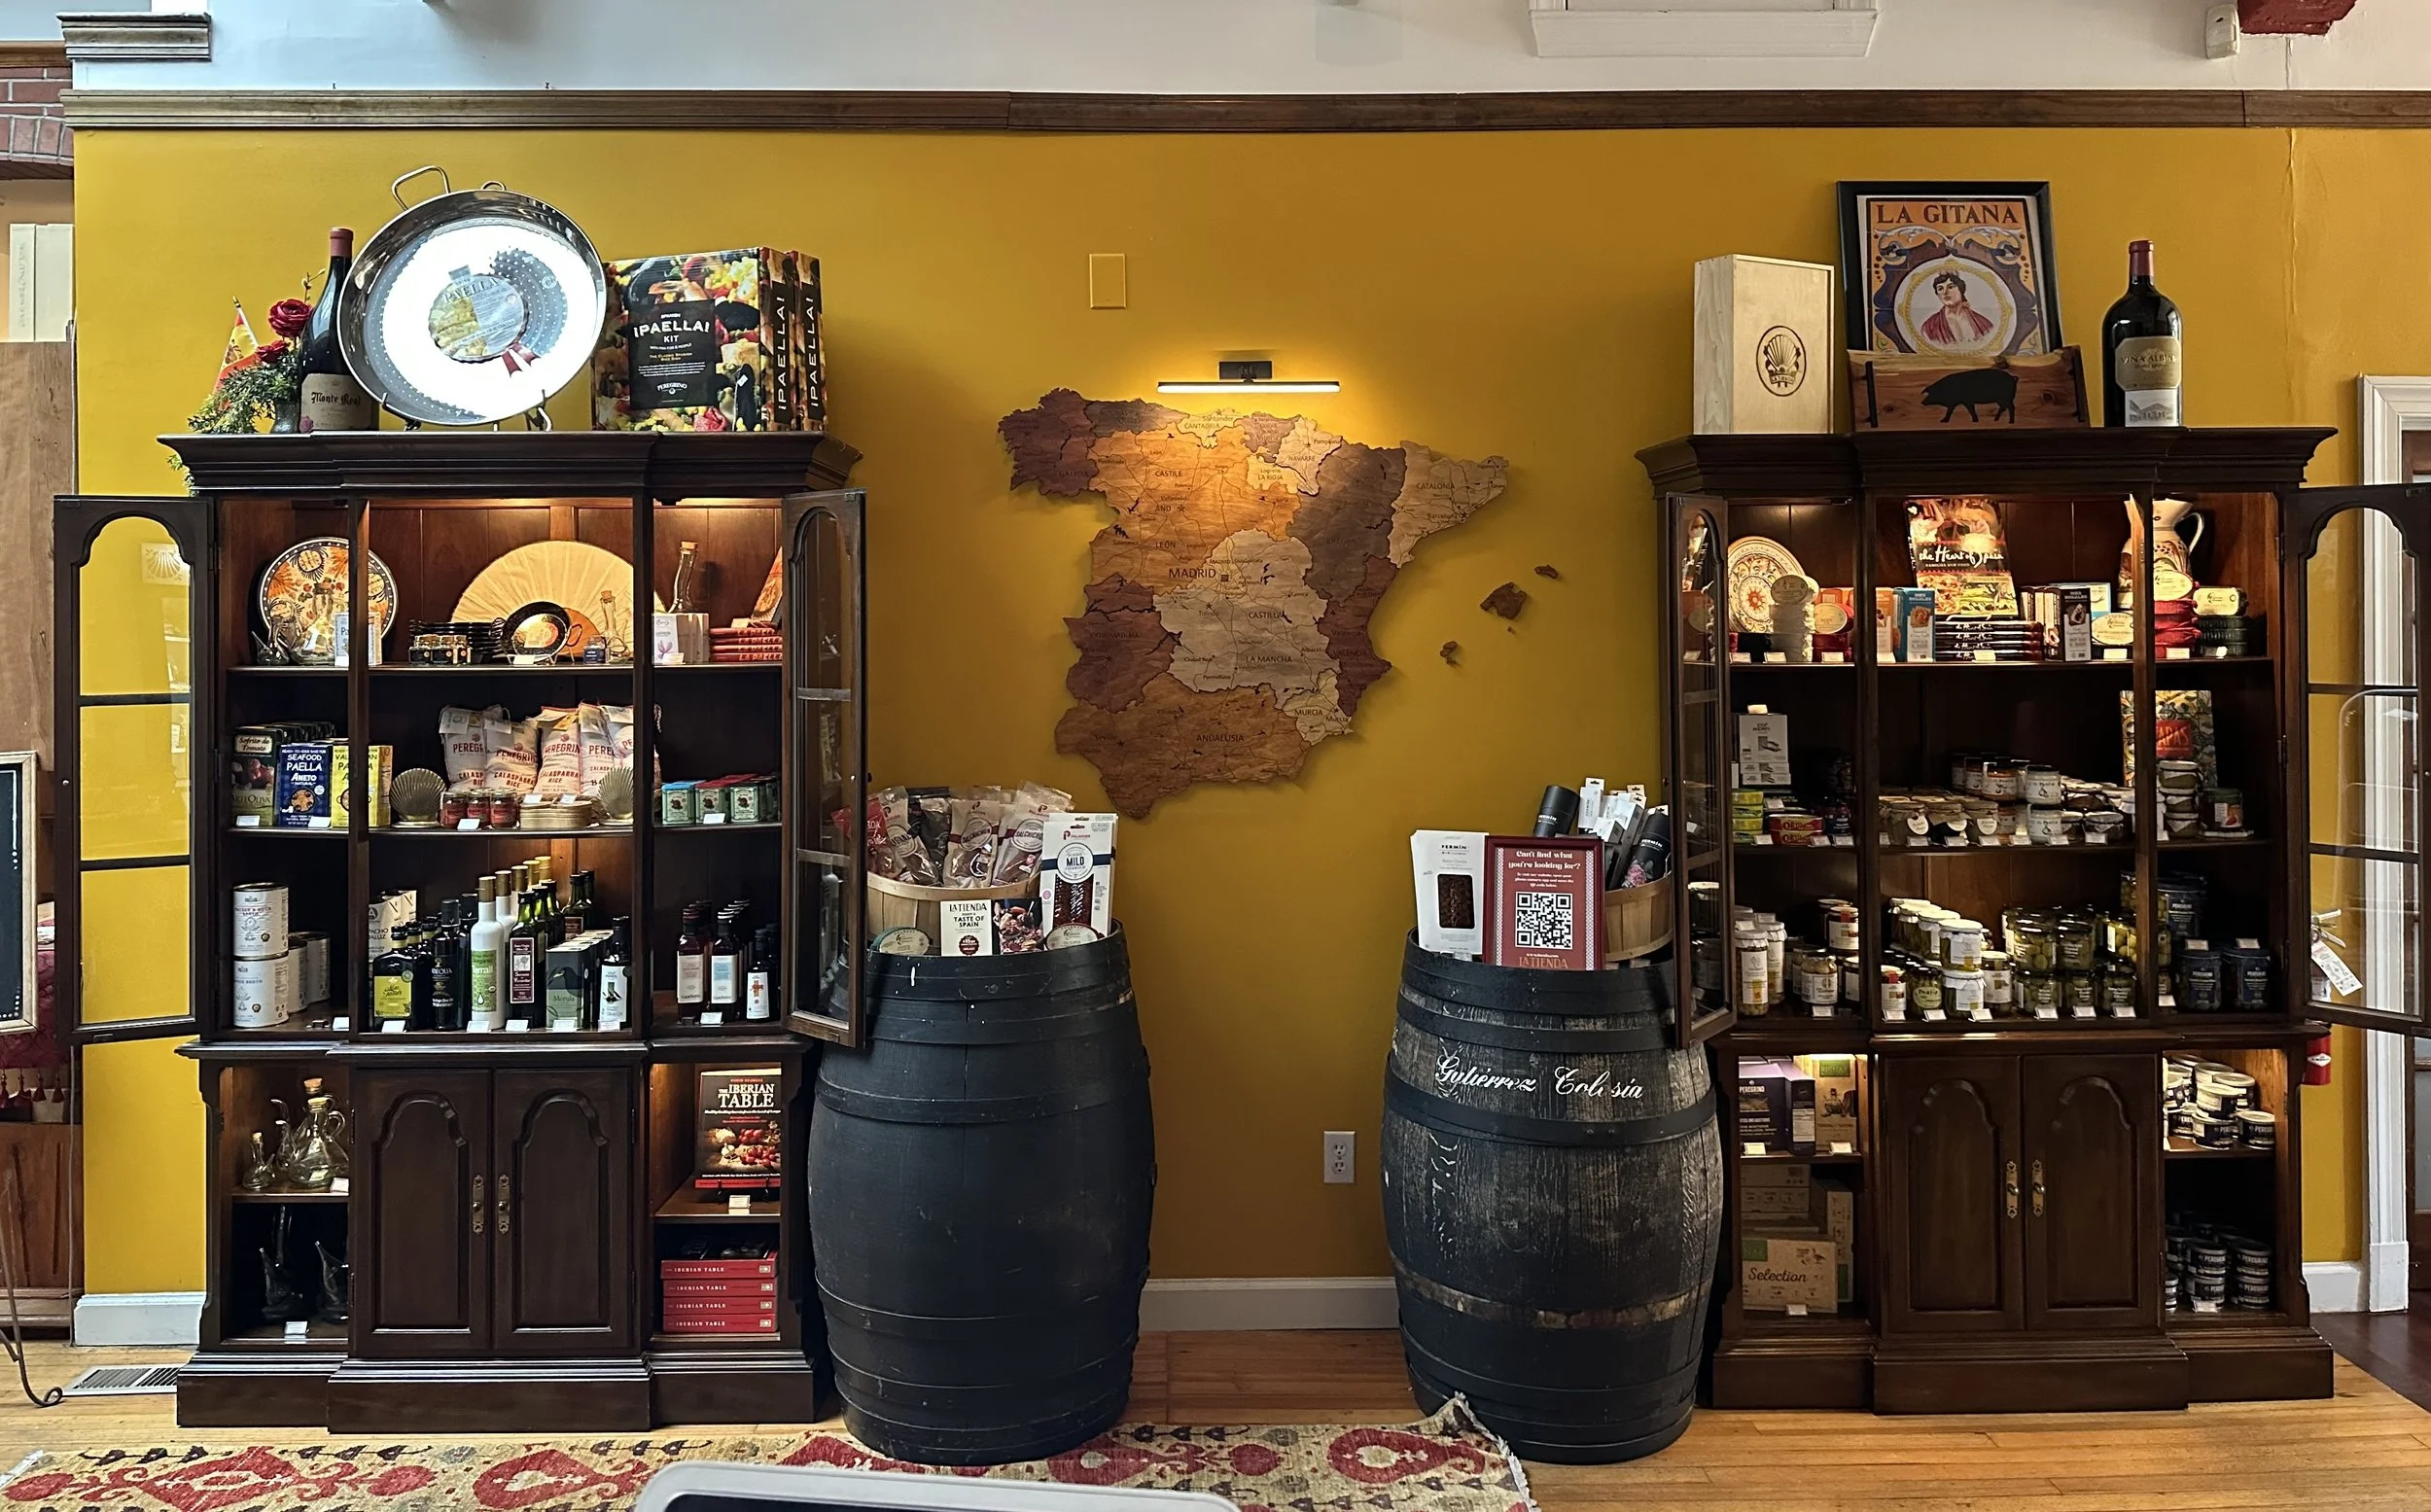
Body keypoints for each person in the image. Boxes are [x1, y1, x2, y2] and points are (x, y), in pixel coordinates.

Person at [1920, 269, 1995, 348]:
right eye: (1940, 289)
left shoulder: (1983, 324)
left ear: (1961, 290)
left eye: (1950, 287)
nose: (1945, 292)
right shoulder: (1929, 327)